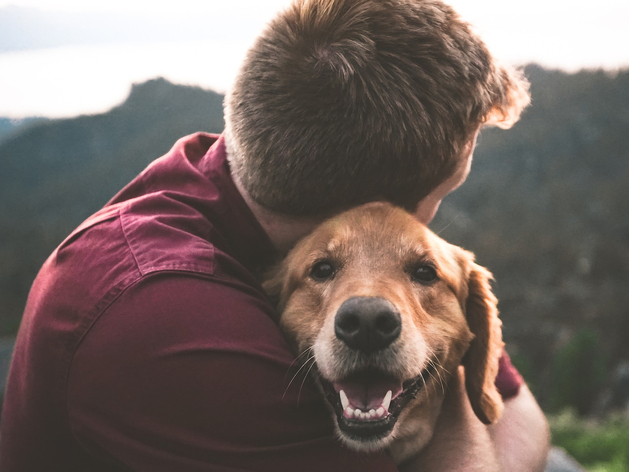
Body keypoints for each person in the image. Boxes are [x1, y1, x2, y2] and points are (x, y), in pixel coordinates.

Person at [0, 0, 550, 470]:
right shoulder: (168, 321)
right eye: (442, 194)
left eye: (420, 265)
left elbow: (519, 412)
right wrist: (446, 383)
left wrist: (444, 362)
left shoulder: (240, 173)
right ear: (374, 207)